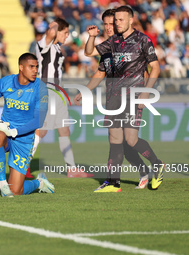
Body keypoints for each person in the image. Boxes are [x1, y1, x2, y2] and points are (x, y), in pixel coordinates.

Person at [84, 5, 164, 192]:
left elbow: (156, 68)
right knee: (115, 139)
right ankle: (113, 183)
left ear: (130, 20)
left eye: (119, 20)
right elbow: (89, 53)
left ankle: (156, 164)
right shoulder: (113, 41)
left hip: (133, 96)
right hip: (113, 98)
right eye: (114, 20)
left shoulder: (143, 40)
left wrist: (146, 93)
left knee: (131, 140)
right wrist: (92, 37)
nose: (116, 24)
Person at [0, 53, 55, 197]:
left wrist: (15, 131)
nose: (35, 70)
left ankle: (39, 183)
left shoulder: (40, 87)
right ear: (21, 67)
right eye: (31, 67)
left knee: (16, 191)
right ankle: (3, 184)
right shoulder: (5, 82)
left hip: (24, 139)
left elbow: (39, 120)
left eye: (37, 67)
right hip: (5, 134)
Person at [32, 17, 93, 178]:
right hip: (47, 92)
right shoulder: (44, 46)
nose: (67, 36)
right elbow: (50, 31)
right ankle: (21, 166)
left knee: (64, 130)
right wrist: (55, 24)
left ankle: (72, 169)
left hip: (57, 93)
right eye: (65, 32)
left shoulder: (57, 48)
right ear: (56, 31)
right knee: (41, 131)